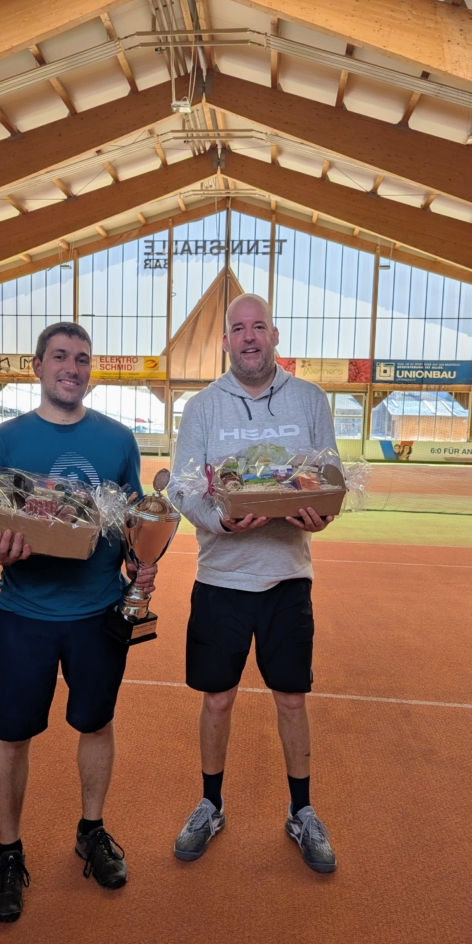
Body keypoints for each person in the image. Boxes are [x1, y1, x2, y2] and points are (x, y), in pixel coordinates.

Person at [0, 322, 157, 923]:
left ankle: (91, 831)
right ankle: (8, 853)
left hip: (98, 614)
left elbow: (133, 524)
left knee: (96, 724)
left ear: (90, 371)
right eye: (59, 357)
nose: (71, 368)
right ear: (37, 367)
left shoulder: (118, 440)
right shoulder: (3, 441)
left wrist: (141, 563)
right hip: (22, 616)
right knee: (12, 735)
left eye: (81, 358)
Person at [169, 294, 338, 873]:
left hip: (287, 577)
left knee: (291, 698)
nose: (248, 337)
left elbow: (328, 478)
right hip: (220, 578)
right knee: (217, 699)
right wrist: (220, 520)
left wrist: (322, 512)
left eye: (258, 326)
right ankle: (210, 805)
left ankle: (301, 811)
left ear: (274, 335)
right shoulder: (202, 407)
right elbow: (183, 488)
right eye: (238, 328)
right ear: (225, 341)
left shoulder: (310, 399)